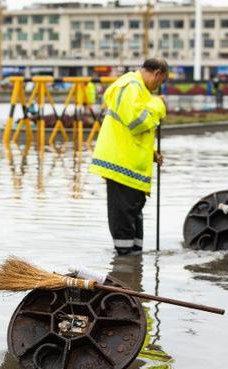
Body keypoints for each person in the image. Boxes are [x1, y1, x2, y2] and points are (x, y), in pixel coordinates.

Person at [89, 57, 168, 255]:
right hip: (120, 165)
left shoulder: (140, 90)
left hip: (131, 166)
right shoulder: (129, 86)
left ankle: (134, 266)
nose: (158, 88)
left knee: (133, 215)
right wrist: (158, 105)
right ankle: (124, 268)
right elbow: (137, 122)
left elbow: (132, 132)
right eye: (160, 82)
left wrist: (151, 155)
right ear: (157, 73)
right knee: (123, 216)